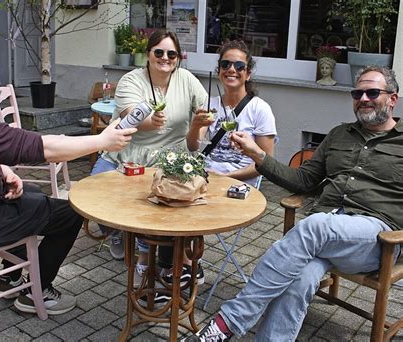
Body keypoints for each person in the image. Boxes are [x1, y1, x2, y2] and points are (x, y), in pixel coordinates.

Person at [182, 65, 402, 341]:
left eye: (372, 92)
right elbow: (303, 181)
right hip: (326, 233)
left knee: (315, 227)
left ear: (393, 98)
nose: (364, 98)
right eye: (358, 92)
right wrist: (258, 155)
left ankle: (228, 322)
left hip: (378, 240)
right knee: (299, 279)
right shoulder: (339, 135)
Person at [0, 28, 136, 316]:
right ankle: (34, 291)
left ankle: (9, 276)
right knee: (70, 213)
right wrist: (102, 141)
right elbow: (40, 148)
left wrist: (0, 168)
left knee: (32, 193)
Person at [90, 29, 207, 293]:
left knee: (153, 205)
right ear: (148, 54)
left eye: (171, 53)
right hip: (129, 151)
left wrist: (199, 128)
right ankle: (117, 232)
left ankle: (149, 256)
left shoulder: (187, 80)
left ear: (177, 58)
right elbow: (130, 116)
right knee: (91, 192)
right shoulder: (131, 80)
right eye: (159, 52)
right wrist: (148, 122)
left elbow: (203, 112)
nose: (165, 58)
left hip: (171, 157)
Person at [187, 39, 276, 186]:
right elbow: (193, 146)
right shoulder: (210, 104)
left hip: (239, 186)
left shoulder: (260, 109)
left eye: (239, 66)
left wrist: (226, 176)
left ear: (248, 74)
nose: (232, 69)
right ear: (219, 71)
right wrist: (195, 127)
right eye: (225, 64)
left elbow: (267, 163)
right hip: (206, 181)